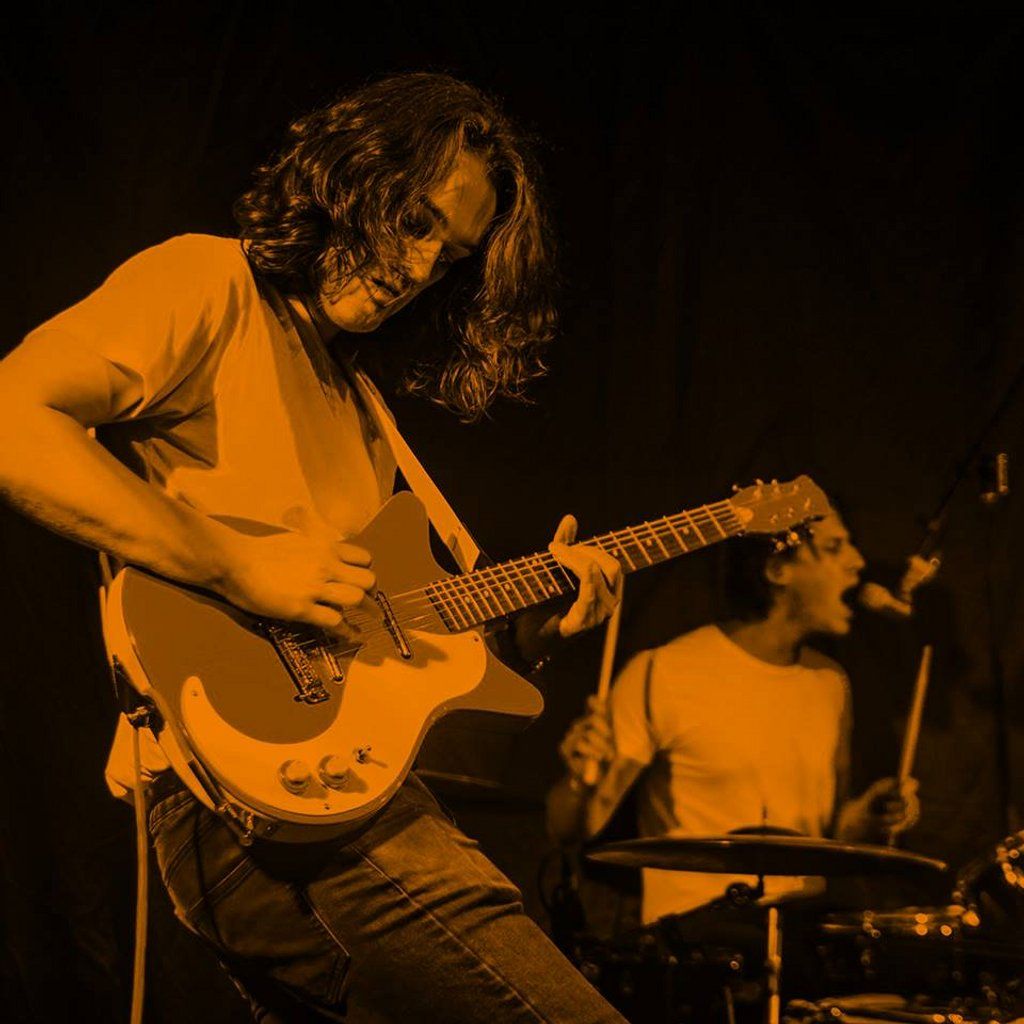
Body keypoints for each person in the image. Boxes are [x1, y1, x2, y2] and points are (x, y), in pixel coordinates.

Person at [0, 73, 629, 1023]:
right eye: (414, 221)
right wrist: (237, 563)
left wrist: (522, 635)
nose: (421, 266)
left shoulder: (360, 407)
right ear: (350, 175)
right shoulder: (208, 281)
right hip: (251, 804)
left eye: (451, 256)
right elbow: (16, 420)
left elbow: (373, 645)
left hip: (332, 790)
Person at [547, 509, 921, 925]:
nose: (857, 562)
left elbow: (825, 835)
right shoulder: (664, 671)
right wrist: (580, 782)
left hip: (802, 930)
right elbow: (572, 829)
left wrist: (867, 816)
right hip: (692, 936)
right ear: (777, 569)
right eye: (834, 547)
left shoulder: (831, 682)